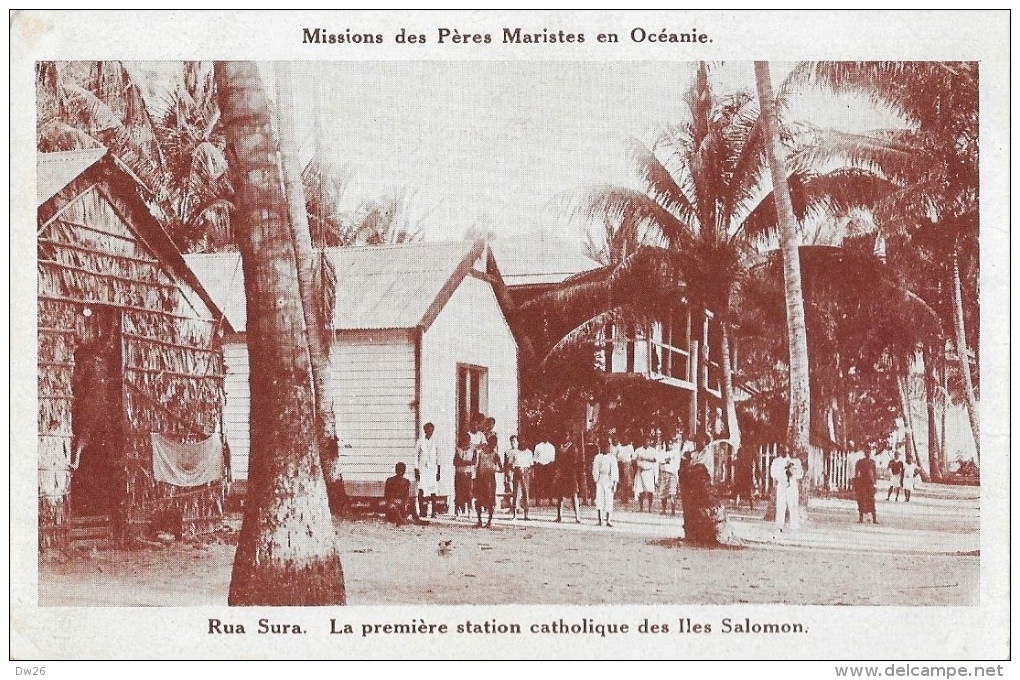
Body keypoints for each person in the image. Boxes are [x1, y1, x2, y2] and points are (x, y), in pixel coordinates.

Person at [769, 447, 803, 533]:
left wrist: (792, 473)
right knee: (780, 506)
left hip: (792, 485)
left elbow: (800, 474)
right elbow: (773, 474)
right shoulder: (776, 462)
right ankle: (779, 526)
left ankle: (794, 527)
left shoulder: (795, 461)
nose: (783, 452)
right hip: (781, 485)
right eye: (781, 450)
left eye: (786, 450)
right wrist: (783, 474)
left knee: (793, 506)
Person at [474, 434, 502, 528]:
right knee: (478, 501)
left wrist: (495, 469)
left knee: (490, 500)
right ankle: (479, 520)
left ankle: (489, 521)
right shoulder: (481, 453)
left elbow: (501, 468)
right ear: (489, 443)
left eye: (495, 444)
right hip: (480, 479)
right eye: (492, 443)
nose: (494, 445)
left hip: (490, 480)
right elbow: (476, 465)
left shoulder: (496, 455)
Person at [552, 434, 582, 523]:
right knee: (559, 495)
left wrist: (569, 469)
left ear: (569, 437)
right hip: (562, 473)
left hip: (571, 474)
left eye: (566, 436)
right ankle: (559, 516)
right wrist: (558, 472)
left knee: (574, 495)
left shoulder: (573, 447)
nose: (564, 438)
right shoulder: (559, 448)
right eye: (563, 436)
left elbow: (575, 461)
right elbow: (556, 461)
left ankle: (577, 517)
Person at [415, 422, 441, 519]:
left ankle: (434, 511)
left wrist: (438, 471)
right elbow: (415, 456)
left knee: (433, 490)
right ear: (425, 430)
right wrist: (416, 469)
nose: (429, 432)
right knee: (422, 489)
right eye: (428, 430)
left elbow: (438, 457)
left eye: (431, 430)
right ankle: (423, 511)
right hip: (422, 469)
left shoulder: (435, 442)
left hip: (432, 469)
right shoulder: (420, 441)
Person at [591, 439, 619, 527]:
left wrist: (614, 483)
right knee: (599, 499)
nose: (605, 448)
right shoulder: (597, 457)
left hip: (609, 479)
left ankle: (608, 520)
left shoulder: (612, 458)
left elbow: (614, 471)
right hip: (600, 479)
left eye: (607, 447)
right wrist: (596, 480)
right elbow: (595, 470)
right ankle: (600, 520)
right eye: (603, 447)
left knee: (609, 499)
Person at [506, 435, 533, 520]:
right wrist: (513, 472)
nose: (522, 443)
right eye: (520, 441)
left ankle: (526, 515)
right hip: (517, 473)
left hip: (525, 473)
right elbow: (510, 464)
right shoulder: (514, 452)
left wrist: (526, 472)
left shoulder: (529, 452)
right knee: (515, 494)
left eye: (523, 441)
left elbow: (531, 466)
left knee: (526, 494)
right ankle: (515, 515)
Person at [453, 431, 477, 518]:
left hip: (468, 474)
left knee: (469, 493)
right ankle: (458, 511)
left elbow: (474, 461)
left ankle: (469, 511)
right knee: (459, 493)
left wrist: (463, 462)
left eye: (468, 440)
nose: (466, 442)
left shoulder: (472, 450)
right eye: (464, 440)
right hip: (459, 473)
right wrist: (467, 462)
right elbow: (455, 462)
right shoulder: (458, 450)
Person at [853, 448, 879, 523]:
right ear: (864, 453)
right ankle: (861, 518)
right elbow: (856, 473)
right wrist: (856, 484)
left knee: (871, 500)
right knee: (861, 500)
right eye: (866, 452)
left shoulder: (872, 462)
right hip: (862, 483)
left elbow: (874, 474)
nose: (867, 453)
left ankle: (874, 519)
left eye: (868, 452)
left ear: (870, 453)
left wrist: (875, 484)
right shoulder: (859, 462)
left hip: (869, 484)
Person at [633, 438, 658, 512]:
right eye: (645, 441)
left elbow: (655, 459)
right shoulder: (638, 450)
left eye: (648, 441)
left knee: (650, 490)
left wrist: (645, 458)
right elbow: (633, 459)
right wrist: (638, 465)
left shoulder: (653, 450)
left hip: (649, 471)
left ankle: (650, 508)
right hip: (640, 471)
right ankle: (641, 507)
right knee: (641, 490)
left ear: (650, 442)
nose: (646, 442)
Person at [657, 439, 681, 516]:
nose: (669, 445)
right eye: (668, 443)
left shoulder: (676, 452)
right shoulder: (662, 452)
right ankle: (664, 509)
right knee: (663, 492)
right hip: (664, 473)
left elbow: (676, 464)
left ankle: (673, 510)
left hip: (672, 473)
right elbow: (660, 462)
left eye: (671, 443)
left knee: (672, 493)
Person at [615, 436, 635, 504]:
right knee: (621, 482)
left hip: (627, 465)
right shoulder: (619, 447)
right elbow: (615, 456)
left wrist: (630, 464)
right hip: (620, 464)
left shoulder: (630, 447)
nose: (625, 440)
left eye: (626, 439)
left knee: (627, 482)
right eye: (623, 439)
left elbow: (633, 456)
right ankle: (622, 496)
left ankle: (626, 496)